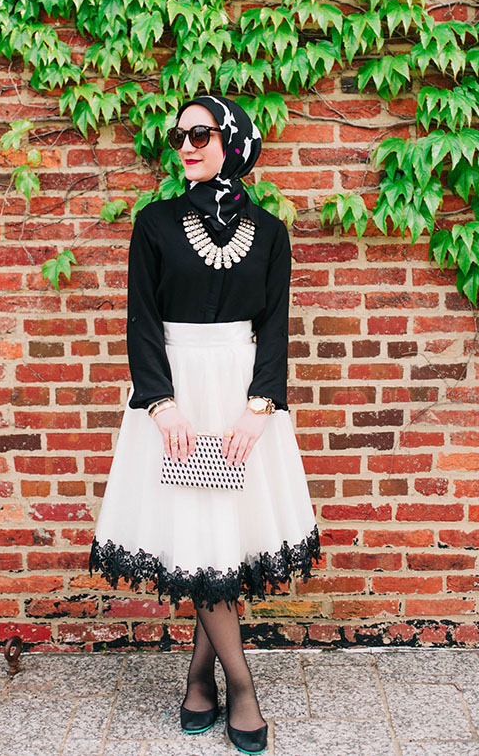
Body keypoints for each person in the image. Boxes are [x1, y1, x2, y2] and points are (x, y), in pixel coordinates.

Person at [89, 94, 322, 755]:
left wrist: (261, 404)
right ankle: (241, 688)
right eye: (180, 136)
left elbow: (274, 327)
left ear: (234, 142)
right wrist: (160, 403)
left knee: (220, 540)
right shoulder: (155, 224)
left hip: (241, 397)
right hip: (177, 397)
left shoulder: (271, 232)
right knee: (199, 535)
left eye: (201, 134)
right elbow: (140, 320)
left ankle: (199, 679)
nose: (186, 146)